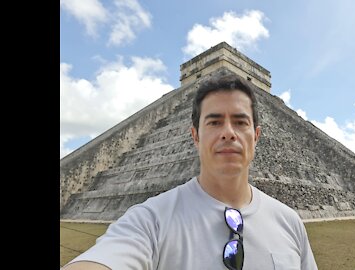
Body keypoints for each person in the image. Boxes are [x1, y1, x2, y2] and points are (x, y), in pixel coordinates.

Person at [62, 71, 319, 270]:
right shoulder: (150, 220)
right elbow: (108, 256)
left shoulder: (290, 223)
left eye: (240, 122)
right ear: (195, 136)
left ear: (256, 136)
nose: (229, 133)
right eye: (215, 121)